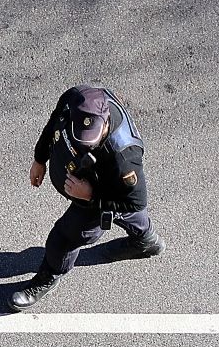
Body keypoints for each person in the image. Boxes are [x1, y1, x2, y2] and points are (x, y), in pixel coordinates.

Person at [9, 85, 163, 312]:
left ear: (105, 124)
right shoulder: (77, 98)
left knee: (63, 239)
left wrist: (91, 195)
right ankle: (147, 240)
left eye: (89, 143)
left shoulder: (124, 159)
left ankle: (48, 276)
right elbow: (55, 121)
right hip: (93, 182)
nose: (83, 147)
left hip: (97, 193)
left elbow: (135, 201)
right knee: (127, 210)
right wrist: (40, 158)